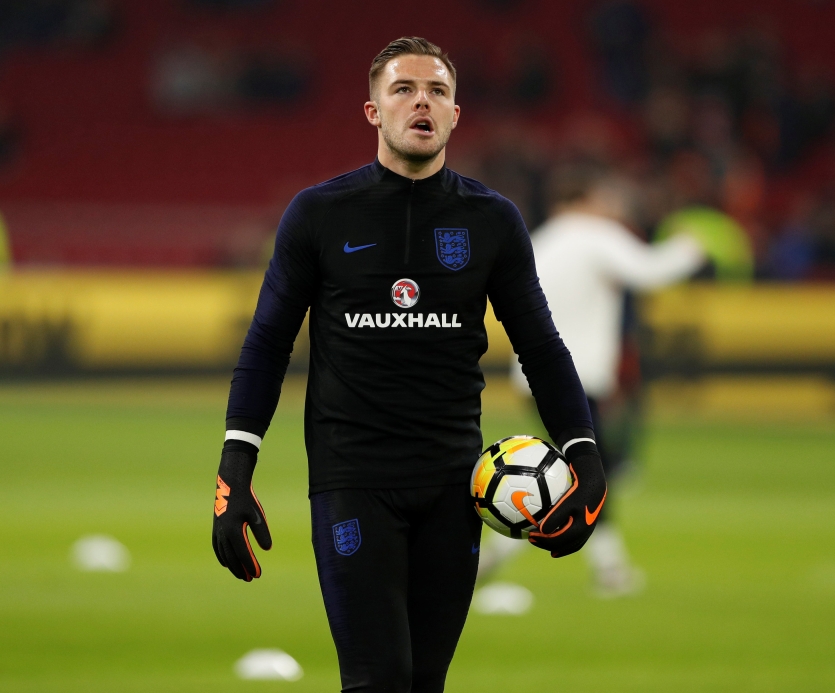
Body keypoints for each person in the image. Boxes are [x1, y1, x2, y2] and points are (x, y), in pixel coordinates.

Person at [209, 37, 607, 693]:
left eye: (437, 91)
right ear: (373, 111)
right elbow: (267, 344)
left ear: (455, 114)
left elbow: (540, 346)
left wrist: (585, 457)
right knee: (377, 678)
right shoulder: (319, 214)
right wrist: (235, 464)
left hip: (454, 485)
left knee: (424, 681)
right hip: (352, 479)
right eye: (403, 89)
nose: (421, 101)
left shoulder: (492, 220)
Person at [479, 169, 705, 596]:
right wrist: (691, 247)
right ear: (585, 199)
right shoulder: (595, 236)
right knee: (589, 471)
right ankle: (608, 568)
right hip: (580, 377)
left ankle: (500, 552)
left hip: (534, 376)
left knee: (567, 472)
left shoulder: (539, 240)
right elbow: (649, 270)